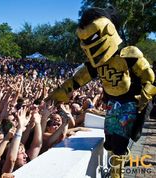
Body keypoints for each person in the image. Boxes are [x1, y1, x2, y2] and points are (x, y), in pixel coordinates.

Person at [46, 6, 156, 178]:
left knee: (119, 143)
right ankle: (116, 168)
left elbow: (149, 77)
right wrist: (61, 92)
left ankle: (116, 174)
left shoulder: (129, 54)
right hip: (113, 105)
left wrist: (145, 95)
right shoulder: (95, 65)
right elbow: (78, 80)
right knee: (110, 142)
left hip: (129, 105)